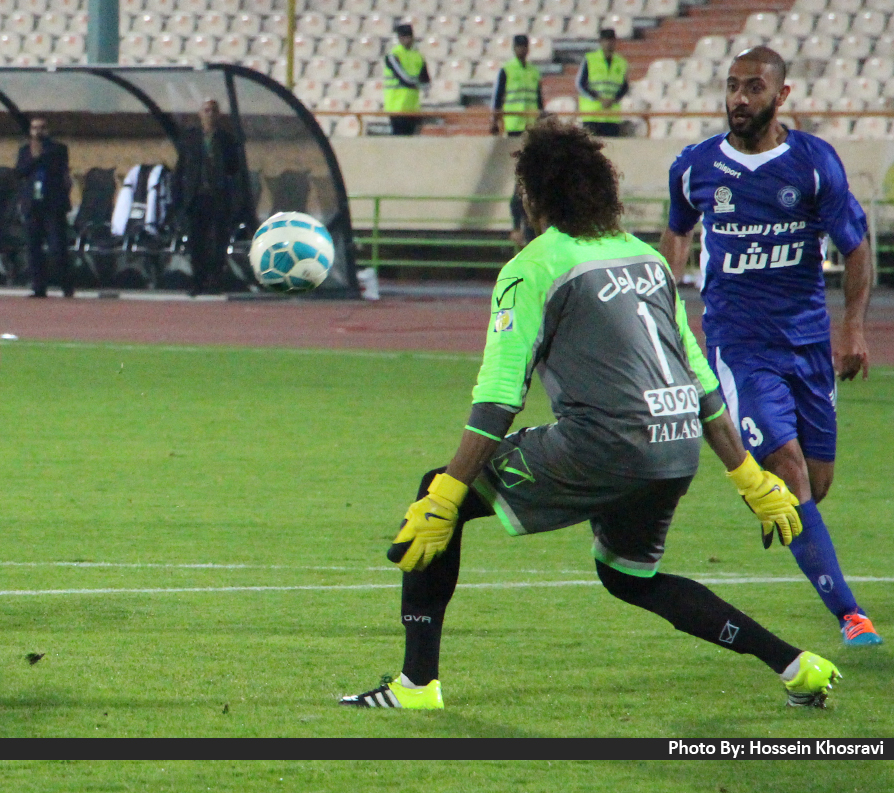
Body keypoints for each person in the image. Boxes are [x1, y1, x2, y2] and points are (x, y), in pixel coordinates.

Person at [341, 120, 841, 711]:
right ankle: (794, 664)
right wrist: (749, 478)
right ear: (604, 190)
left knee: (435, 488)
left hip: (606, 442)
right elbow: (700, 377)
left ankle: (416, 686)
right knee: (628, 577)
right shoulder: (647, 260)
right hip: (677, 444)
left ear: (532, 195)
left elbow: (500, 396)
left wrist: (450, 491)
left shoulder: (534, 265)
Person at [658, 47, 881, 647]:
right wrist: (666, 303)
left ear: (781, 96)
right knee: (787, 469)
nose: (738, 99)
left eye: (753, 88)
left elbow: (855, 245)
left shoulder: (812, 163)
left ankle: (779, 504)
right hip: (739, 344)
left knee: (815, 479)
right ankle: (852, 617)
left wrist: (853, 327)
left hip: (807, 344)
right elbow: (678, 232)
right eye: (732, 86)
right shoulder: (696, 166)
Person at [174, 98, 241, 295]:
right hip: (196, 197)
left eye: (213, 110)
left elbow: (234, 170)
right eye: (206, 110)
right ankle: (198, 281)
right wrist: (178, 196)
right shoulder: (190, 138)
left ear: (218, 114)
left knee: (218, 241)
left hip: (218, 197)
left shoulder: (226, 140)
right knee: (197, 242)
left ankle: (215, 280)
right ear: (200, 113)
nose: (209, 114)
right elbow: (181, 168)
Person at [491, 34, 543, 248]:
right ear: (514, 48)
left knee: (525, 181)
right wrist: (495, 122)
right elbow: (498, 97)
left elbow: (539, 101)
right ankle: (519, 227)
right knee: (519, 181)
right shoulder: (507, 69)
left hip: (529, 129)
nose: (522, 50)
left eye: (524, 46)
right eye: (519, 46)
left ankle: (524, 229)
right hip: (513, 128)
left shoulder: (534, 72)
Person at [15, 115, 73, 298]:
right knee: (33, 246)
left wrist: (39, 155)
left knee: (57, 246)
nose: (38, 131)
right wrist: (33, 157)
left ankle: (66, 284)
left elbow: (57, 166)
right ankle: (38, 286)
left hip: (53, 205)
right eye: (34, 128)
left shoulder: (58, 149)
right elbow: (20, 171)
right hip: (33, 204)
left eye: (41, 128)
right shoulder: (25, 150)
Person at [576, 29, 629, 137]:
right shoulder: (590, 59)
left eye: (611, 40)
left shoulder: (622, 63)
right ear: (600, 42)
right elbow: (580, 84)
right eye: (606, 40)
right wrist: (600, 99)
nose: (609, 43)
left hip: (611, 116)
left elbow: (624, 87)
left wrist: (613, 99)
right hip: (592, 115)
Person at [384, 23, 430, 137]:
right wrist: (417, 82)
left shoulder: (418, 56)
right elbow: (404, 79)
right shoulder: (393, 55)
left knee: (410, 140)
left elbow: (426, 80)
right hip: (396, 106)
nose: (405, 39)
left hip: (412, 106)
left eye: (408, 36)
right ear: (398, 38)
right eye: (402, 37)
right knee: (398, 138)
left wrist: (420, 83)